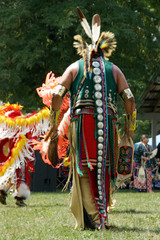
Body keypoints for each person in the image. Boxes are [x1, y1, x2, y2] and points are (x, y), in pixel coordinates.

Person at [48, 7, 136, 230]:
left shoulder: (74, 67)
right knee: (105, 169)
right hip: (108, 124)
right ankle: (100, 217)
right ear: (103, 51)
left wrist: (53, 125)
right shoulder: (114, 69)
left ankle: (96, 220)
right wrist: (130, 130)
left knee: (85, 170)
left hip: (82, 123)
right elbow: (130, 100)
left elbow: (57, 95)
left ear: (84, 51)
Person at [0, 103, 49, 206]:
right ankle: (19, 198)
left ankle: (3, 191)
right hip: (19, 156)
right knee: (19, 174)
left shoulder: (11, 129)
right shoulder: (24, 128)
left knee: (11, 172)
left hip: (13, 156)